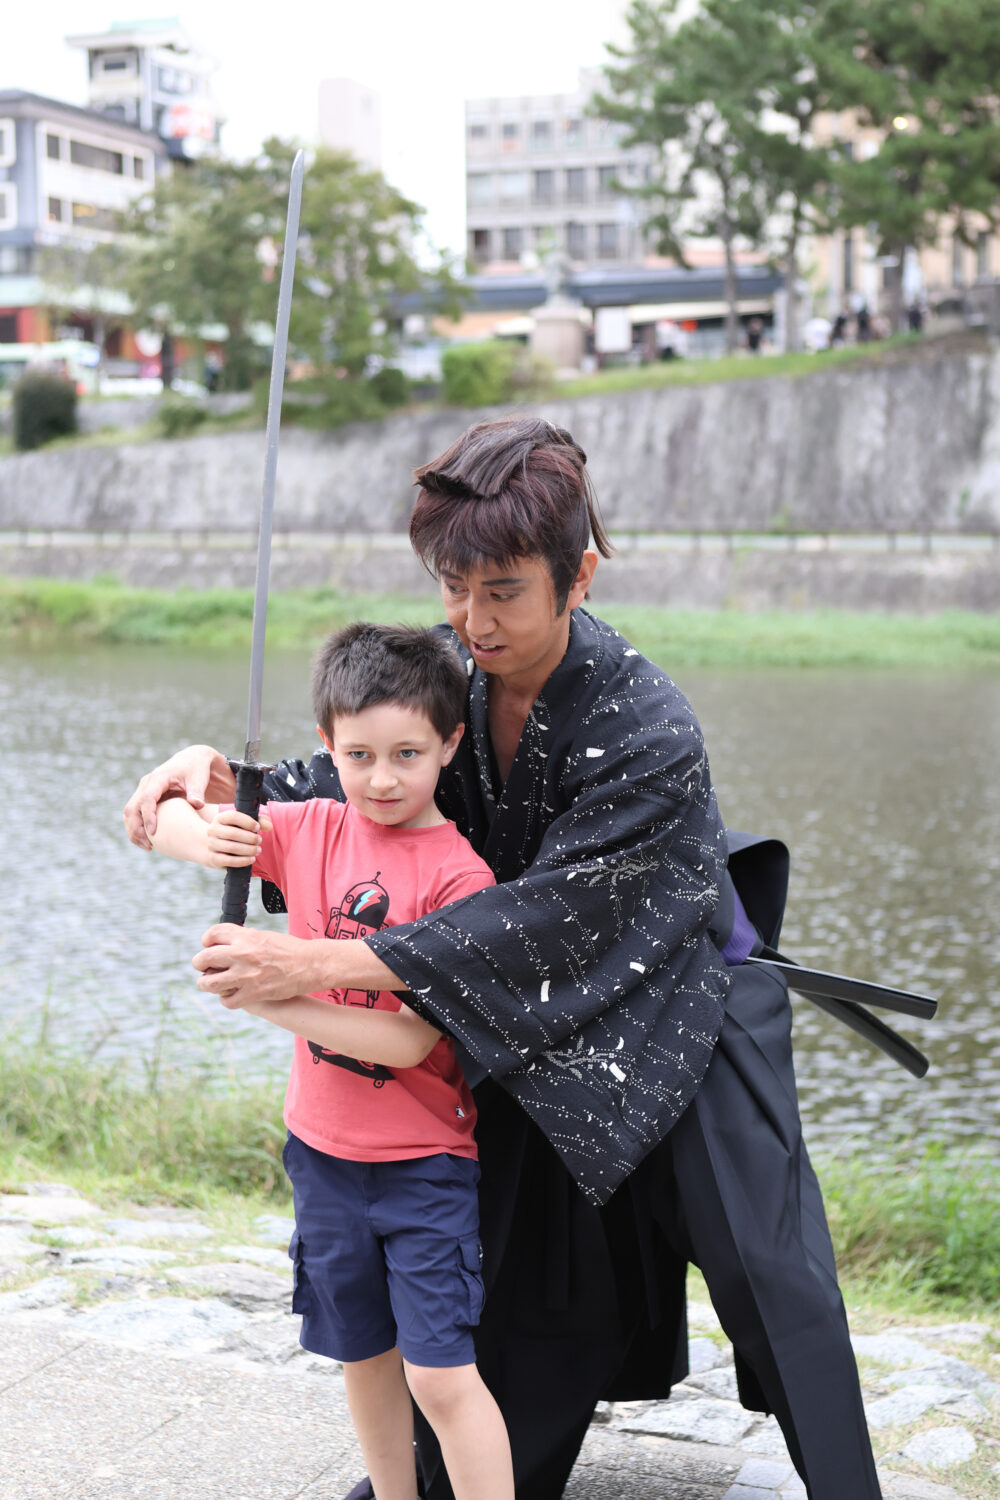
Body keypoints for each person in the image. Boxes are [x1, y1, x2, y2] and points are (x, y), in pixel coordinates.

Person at [124, 416, 882, 1500]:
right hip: (521, 1003)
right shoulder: (455, 686)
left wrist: (306, 967)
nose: (472, 620)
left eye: (503, 591)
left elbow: (541, 922)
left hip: (674, 997)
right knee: (525, 1260)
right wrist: (210, 783)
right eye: (452, 586)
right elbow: (350, 780)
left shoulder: (646, 722)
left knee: (768, 1269)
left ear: (578, 575)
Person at [145, 622, 514, 1500]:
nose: (382, 778)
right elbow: (157, 821)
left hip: (424, 1168)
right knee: (362, 1356)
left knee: (439, 1376)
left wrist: (271, 992)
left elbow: (411, 1041)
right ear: (326, 746)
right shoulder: (306, 826)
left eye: (407, 754)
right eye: (359, 755)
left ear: (450, 742)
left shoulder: (463, 882)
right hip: (320, 1154)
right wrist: (201, 837)